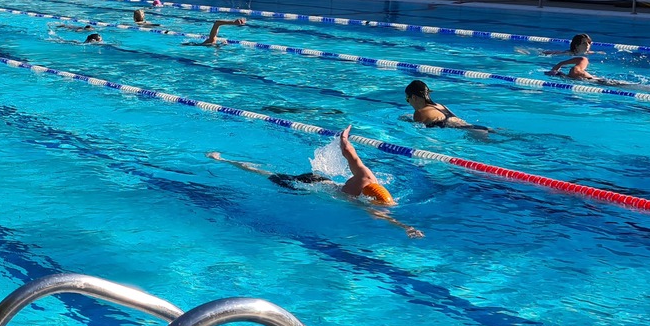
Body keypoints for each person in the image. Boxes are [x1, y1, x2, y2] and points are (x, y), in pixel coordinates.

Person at [208, 127, 422, 238]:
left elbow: (350, 154)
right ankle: (224, 160)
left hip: (321, 181)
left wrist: (344, 137)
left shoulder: (366, 176)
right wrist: (406, 227)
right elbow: (383, 217)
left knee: (267, 172)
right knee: (264, 174)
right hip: (308, 186)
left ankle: (225, 158)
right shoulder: (364, 200)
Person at [404, 80, 486, 130]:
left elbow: (419, 130)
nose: (408, 102)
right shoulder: (440, 106)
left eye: (407, 99)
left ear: (414, 97)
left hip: (470, 132)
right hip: (477, 128)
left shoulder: (420, 112)